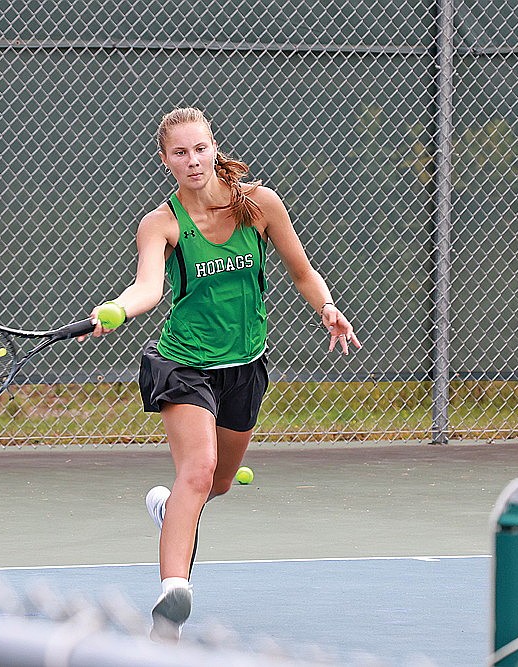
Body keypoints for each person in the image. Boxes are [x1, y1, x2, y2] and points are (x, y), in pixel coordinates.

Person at [84, 107, 361, 642]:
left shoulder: (259, 204)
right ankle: (171, 598)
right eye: (180, 153)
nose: (192, 161)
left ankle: (169, 509)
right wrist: (115, 309)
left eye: (200, 149)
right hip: (185, 364)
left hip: (246, 365)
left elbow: (302, 271)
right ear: (166, 161)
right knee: (198, 468)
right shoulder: (161, 224)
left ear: (214, 148)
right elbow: (149, 289)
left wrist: (326, 306)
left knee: (219, 483)